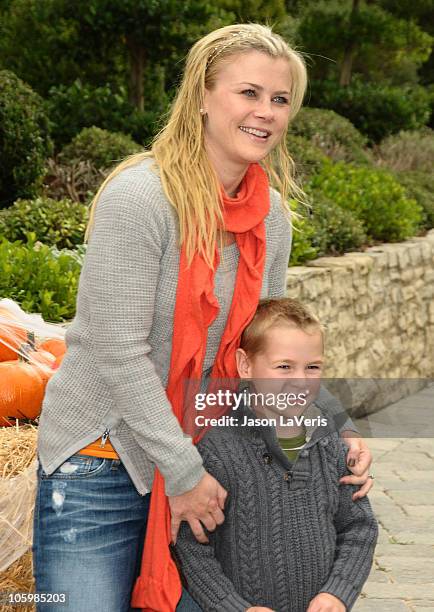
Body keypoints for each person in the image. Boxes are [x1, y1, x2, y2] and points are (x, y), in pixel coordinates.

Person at [32, 23, 374, 612]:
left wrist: (335, 429)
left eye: (280, 98)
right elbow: (116, 349)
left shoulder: (270, 220)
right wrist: (184, 471)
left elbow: (263, 347)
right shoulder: (141, 199)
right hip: (102, 464)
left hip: (206, 464)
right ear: (201, 97)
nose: (265, 112)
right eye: (248, 93)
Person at [174, 297, 378, 612]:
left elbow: (358, 527)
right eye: (284, 366)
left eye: (313, 367)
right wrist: (233, 607)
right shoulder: (217, 448)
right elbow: (191, 546)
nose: (300, 380)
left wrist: (337, 593)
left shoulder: (330, 443)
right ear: (245, 365)